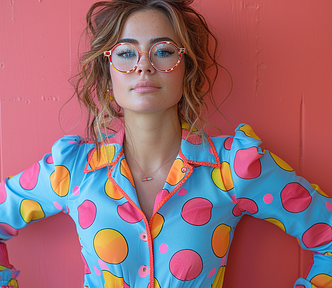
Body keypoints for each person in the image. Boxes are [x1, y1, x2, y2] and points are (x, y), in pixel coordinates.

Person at [0, 0, 332, 287]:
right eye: (127, 52)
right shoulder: (72, 171)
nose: (143, 65)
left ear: (186, 69)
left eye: (163, 51)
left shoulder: (233, 167)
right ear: (108, 72)